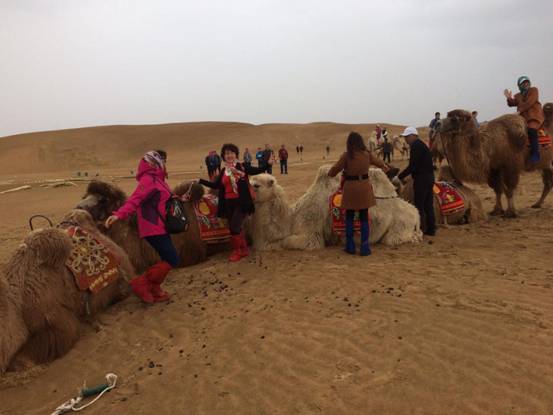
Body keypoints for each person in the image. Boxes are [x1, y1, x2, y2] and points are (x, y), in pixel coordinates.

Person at [105, 150, 179, 303]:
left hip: (161, 225)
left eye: (157, 160)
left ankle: (154, 288)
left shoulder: (158, 179)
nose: (153, 163)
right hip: (153, 226)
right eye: (149, 161)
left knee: (167, 257)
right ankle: (141, 284)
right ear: (146, 162)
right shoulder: (148, 180)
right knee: (172, 259)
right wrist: (119, 214)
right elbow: (135, 199)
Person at [199, 144, 269, 262]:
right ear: (223, 156)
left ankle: (237, 251)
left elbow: (257, 170)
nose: (229, 155)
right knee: (236, 227)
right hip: (228, 203)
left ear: (236, 154)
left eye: (231, 153)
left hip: (241, 202)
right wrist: (200, 181)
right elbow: (216, 185)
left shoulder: (242, 167)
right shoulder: (223, 171)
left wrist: (268, 164)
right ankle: (244, 249)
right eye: (227, 153)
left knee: (234, 227)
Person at [328, 132, 389, 256]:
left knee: (349, 217)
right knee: (364, 217)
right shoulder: (367, 154)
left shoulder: (347, 156)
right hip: (364, 188)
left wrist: (330, 173)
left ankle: (350, 246)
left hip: (350, 189)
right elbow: (380, 163)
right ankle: (365, 247)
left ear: (349, 143)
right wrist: (384, 166)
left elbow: (334, 170)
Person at [397, 127, 436, 236]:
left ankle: (419, 228)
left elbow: (412, 166)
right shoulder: (421, 145)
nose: (405, 139)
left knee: (419, 204)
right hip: (429, 177)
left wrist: (399, 177)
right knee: (428, 204)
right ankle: (431, 228)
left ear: (413, 136)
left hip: (422, 179)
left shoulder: (416, 146)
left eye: (407, 137)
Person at [505, 76, 544, 162]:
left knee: (532, 130)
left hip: (534, 117)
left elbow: (530, 102)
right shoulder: (518, 95)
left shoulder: (534, 90)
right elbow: (512, 103)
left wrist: (519, 111)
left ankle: (535, 154)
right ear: (520, 85)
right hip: (523, 119)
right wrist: (509, 98)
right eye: (523, 83)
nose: (526, 84)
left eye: (527, 82)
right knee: (515, 132)